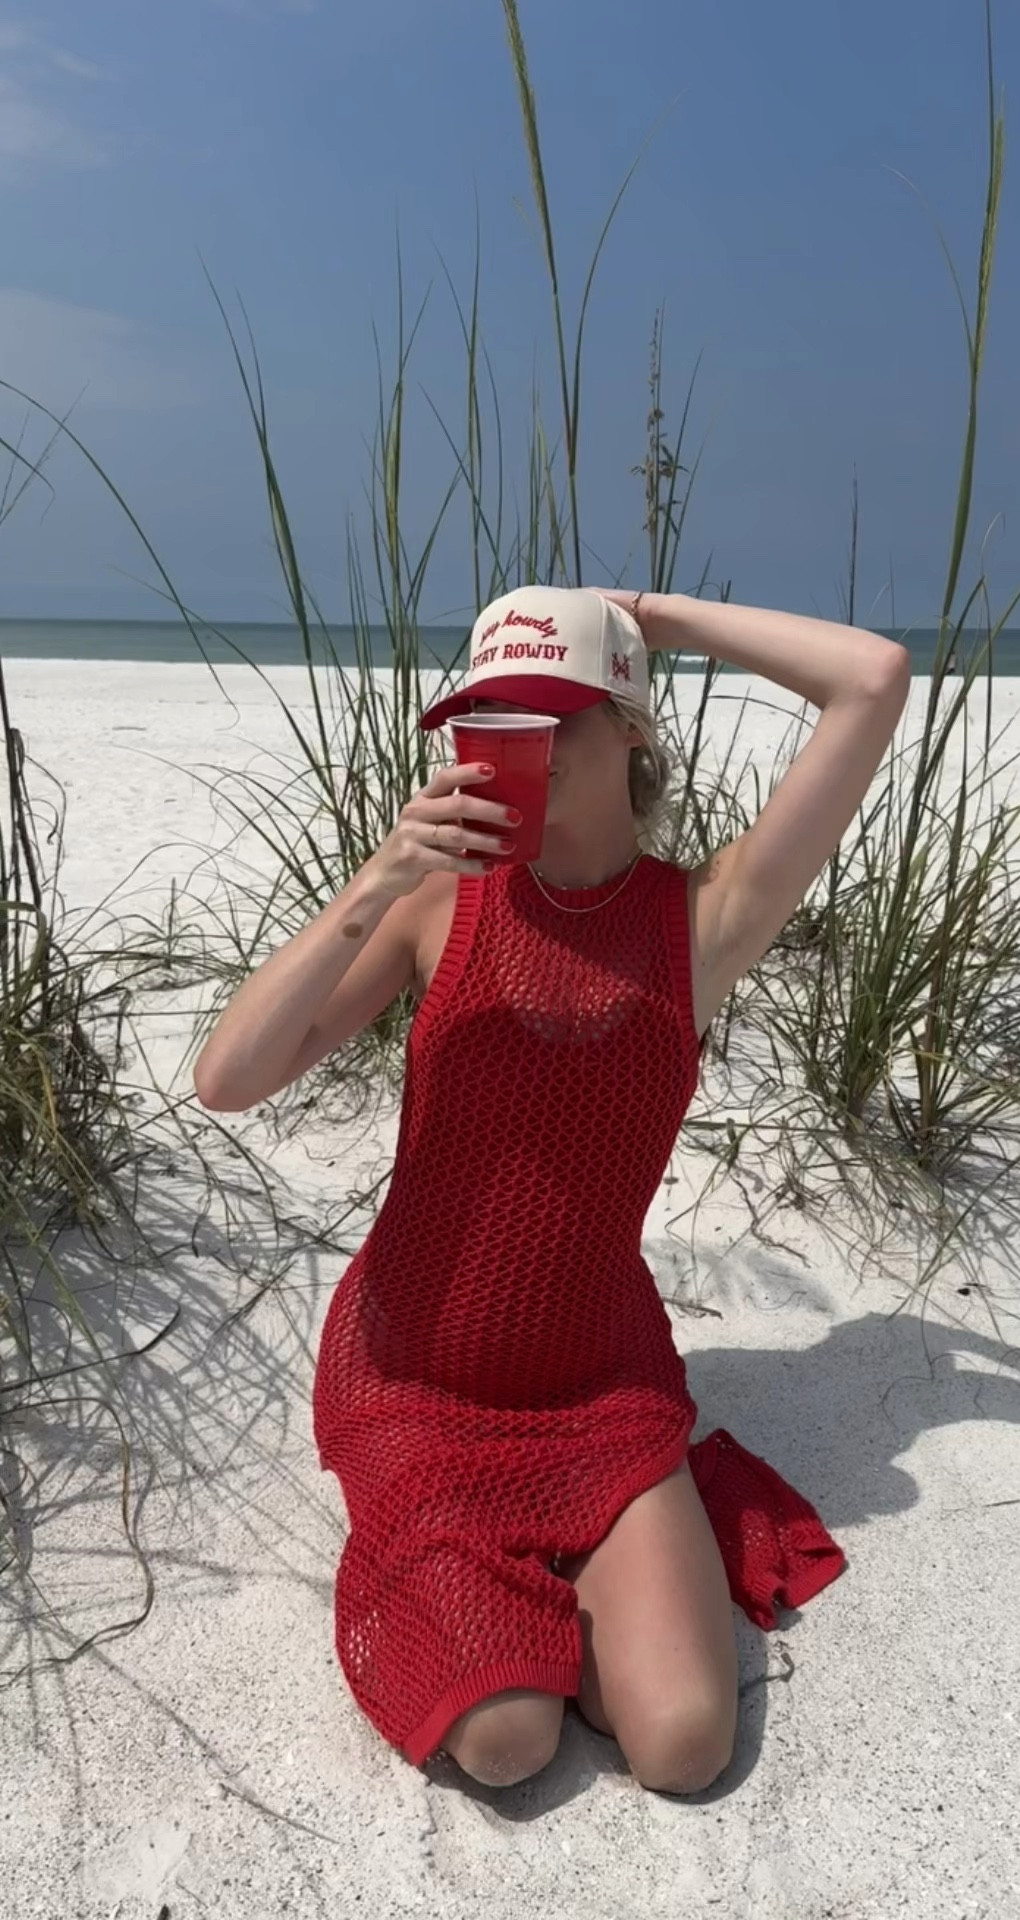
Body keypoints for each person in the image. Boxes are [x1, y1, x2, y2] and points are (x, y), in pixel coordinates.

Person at [194, 583, 910, 1795]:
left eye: (548, 714)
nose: (508, 741)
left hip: (594, 1381)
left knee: (683, 1747)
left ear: (629, 725)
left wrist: (653, 621)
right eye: (487, 715)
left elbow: (874, 678)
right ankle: (537, 1585)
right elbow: (230, 1076)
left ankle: (586, 1568)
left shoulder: (702, 922)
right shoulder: (437, 903)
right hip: (419, 1371)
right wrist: (378, 876)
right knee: (505, 1740)